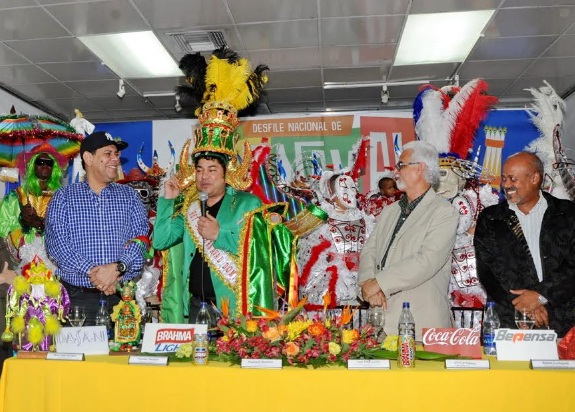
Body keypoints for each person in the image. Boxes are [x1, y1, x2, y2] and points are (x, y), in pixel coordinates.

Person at [45, 131, 149, 325]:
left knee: (125, 346)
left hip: (123, 298)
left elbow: (142, 241)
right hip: (78, 301)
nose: (115, 159)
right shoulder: (63, 197)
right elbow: (57, 246)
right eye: (108, 153)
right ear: (88, 158)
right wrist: (97, 274)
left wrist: (117, 269)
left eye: (116, 154)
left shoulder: (130, 196)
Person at [358, 141, 459, 340]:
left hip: (420, 328)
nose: (395, 171)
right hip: (380, 325)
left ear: (420, 168)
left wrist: (379, 283)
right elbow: (369, 251)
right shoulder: (390, 211)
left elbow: (427, 260)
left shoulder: (444, 212)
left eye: (401, 165)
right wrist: (368, 285)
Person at [474, 151, 575, 337]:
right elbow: (487, 272)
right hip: (508, 321)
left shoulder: (568, 214)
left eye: (512, 179)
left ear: (535, 178)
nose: (506, 185)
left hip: (562, 320)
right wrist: (524, 305)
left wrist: (541, 296)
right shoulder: (490, 218)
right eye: (504, 178)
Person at [298, 171, 375, 309]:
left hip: (361, 284)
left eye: (353, 188)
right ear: (331, 193)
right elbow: (307, 258)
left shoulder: (365, 219)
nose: (351, 193)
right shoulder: (319, 219)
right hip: (329, 286)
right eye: (345, 189)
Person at [0, 143, 66, 260]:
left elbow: (68, 229)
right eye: (40, 162)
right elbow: (2, 227)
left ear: (54, 168)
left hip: (52, 258)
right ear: (32, 165)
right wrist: (22, 221)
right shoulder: (15, 197)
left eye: (49, 163)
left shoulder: (61, 198)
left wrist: (41, 224)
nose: (45, 166)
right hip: (21, 258)